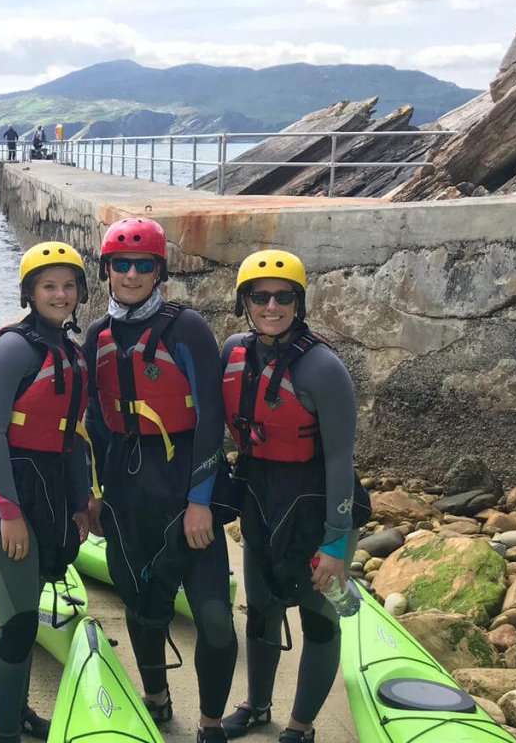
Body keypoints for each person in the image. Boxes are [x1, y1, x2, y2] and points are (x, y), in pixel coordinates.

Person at [83, 217, 238, 743]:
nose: (130, 274)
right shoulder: (96, 335)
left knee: (214, 619)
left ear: (158, 271)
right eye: (121, 265)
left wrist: (201, 501)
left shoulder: (186, 327)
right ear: (106, 270)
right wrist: (97, 495)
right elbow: (96, 424)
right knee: (140, 604)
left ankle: (211, 723)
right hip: (127, 489)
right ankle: (156, 696)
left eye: (142, 265)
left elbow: (212, 419)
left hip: (183, 482)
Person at [218, 249, 365, 743]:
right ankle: (258, 706)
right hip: (261, 499)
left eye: (284, 297)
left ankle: (300, 728)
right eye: (260, 297)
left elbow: (340, 459)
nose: (272, 306)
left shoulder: (323, 368)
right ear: (245, 302)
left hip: (316, 503)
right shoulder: (233, 353)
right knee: (261, 611)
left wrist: (337, 544)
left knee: (320, 621)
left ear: (300, 304)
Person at [0, 242, 94, 743]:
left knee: (29, 607)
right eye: (48, 286)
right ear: (30, 292)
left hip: (50, 486)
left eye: (68, 286)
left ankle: (18, 716)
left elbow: (71, 436)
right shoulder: (13, 349)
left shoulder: (72, 353)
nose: (60, 295)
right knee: (17, 622)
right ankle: (5, 734)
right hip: (3, 489)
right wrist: (8, 511)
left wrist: (80, 502)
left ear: (79, 293)